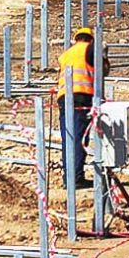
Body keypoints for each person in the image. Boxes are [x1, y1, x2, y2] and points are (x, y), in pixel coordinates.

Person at [56, 26, 101, 188]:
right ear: (90, 39)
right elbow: (104, 70)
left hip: (63, 99)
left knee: (68, 138)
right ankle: (76, 178)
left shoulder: (66, 54)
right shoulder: (90, 49)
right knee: (79, 138)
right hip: (81, 98)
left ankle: (68, 177)